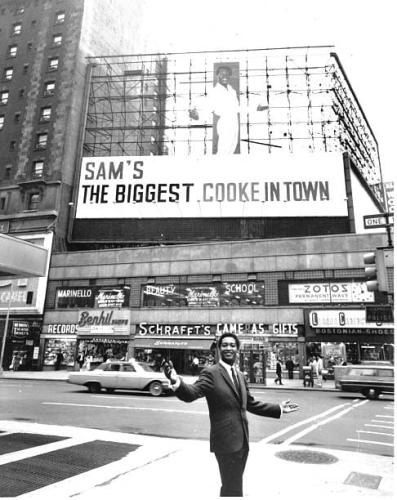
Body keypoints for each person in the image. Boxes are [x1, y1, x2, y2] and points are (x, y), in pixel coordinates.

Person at [162, 333, 299, 497]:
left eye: (232, 345)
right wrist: (176, 381)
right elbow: (192, 393)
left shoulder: (240, 375)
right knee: (233, 488)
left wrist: (278, 408)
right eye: (225, 345)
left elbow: (250, 404)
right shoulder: (211, 373)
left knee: (231, 487)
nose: (228, 348)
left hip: (242, 442)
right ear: (219, 349)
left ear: (237, 350)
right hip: (225, 443)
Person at [189, 65, 268, 154]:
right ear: (217, 76)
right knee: (223, 151)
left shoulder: (232, 91)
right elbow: (209, 106)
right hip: (225, 124)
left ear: (229, 76)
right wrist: (198, 116)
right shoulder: (215, 91)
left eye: (227, 74)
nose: (224, 76)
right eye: (222, 74)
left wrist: (256, 108)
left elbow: (237, 108)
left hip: (234, 122)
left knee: (231, 149)